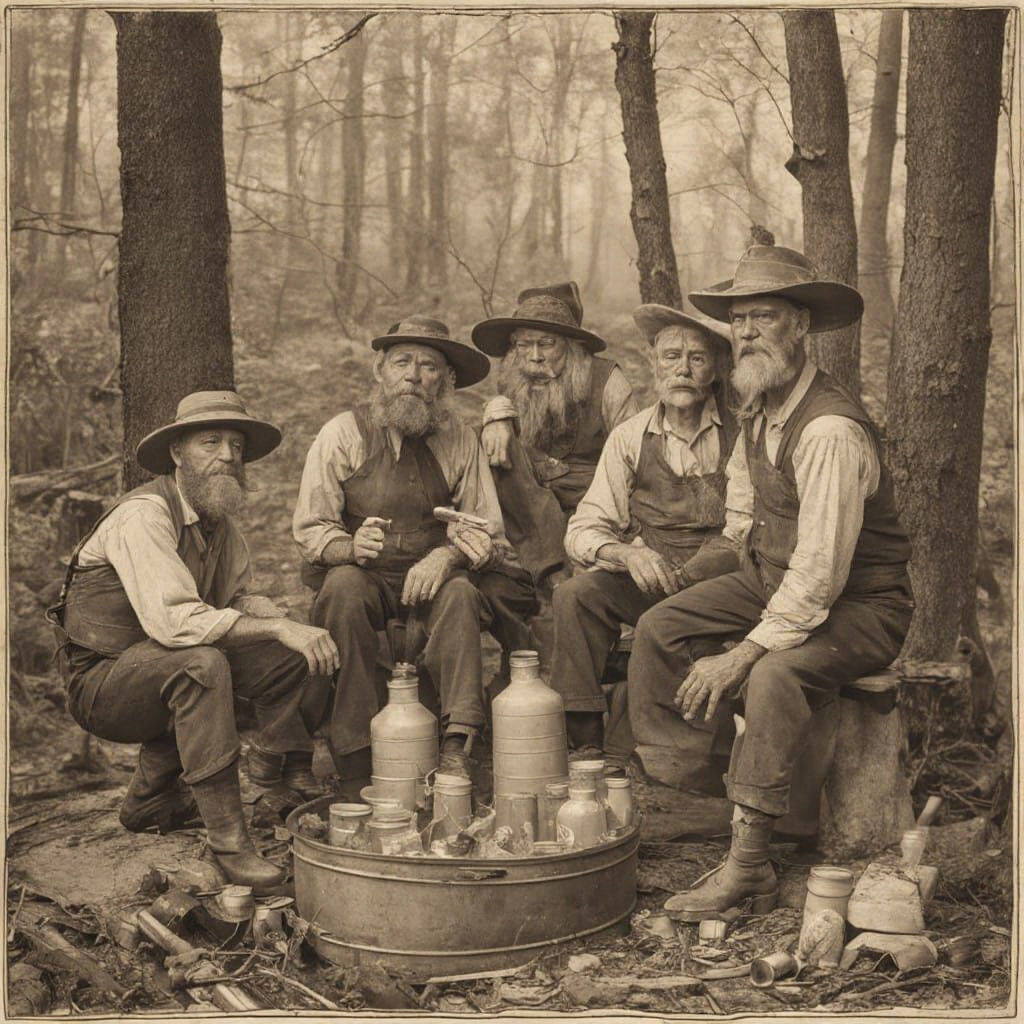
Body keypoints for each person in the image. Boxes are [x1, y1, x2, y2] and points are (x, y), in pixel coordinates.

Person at [625, 246, 914, 920]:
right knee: (661, 625)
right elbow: (747, 513)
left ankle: (749, 868)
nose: (747, 331)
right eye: (739, 318)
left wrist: (743, 651)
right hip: (772, 574)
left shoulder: (831, 430)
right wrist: (699, 575)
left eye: (764, 317)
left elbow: (819, 576)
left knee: (773, 677)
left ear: (801, 328)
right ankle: (715, 795)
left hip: (862, 606)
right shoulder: (757, 401)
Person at [48, 391, 339, 892]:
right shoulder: (144, 515)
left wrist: (275, 617)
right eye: (211, 442)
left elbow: (233, 601)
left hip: (158, 669)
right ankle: (230, 843)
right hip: (102, 685)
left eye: (235, 444)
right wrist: (273, 626)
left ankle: (173, 794)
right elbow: (175, 622)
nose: (228, 455)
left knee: (288, 657)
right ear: (178, 454)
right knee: (202, 664)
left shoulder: (219, 526)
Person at [292, 316, 537, 791]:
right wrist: (348, 545)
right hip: (365, 578)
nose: (413, 375)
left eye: (428, 366)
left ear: (445, 381)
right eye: (402, 362)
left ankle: (457, 745)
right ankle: (356, 758)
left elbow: (487, 531)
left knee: (463, 594)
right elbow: (310, 528)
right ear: (379, 373)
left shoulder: (460, 438)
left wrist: (447, 557)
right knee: (342, 590)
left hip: (434, 581)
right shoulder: (342, 434)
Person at [550, 305, 739, 758]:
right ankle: (584, 746)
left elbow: (748, 528)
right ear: (652, 362)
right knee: (574, 596)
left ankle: (679, 762)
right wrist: (626, 555)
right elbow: (584, 527)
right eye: (671, 357)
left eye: (696, 358)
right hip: (652, 579)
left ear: (715, 367)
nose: (683, 370)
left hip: (724, 587)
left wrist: (706, 569)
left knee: (677, 628)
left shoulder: (744, 432)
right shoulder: (631, 436)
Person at [471, 282, 640, 586]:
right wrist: (495, 415)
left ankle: (551, 572)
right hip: (527, 505)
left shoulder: (609, 383)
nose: (534, 356)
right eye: (524, 345)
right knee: (479, 437)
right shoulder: (514, 379)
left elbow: (637, 460)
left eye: (547, 343)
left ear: (571, 346)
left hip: (590, 504)